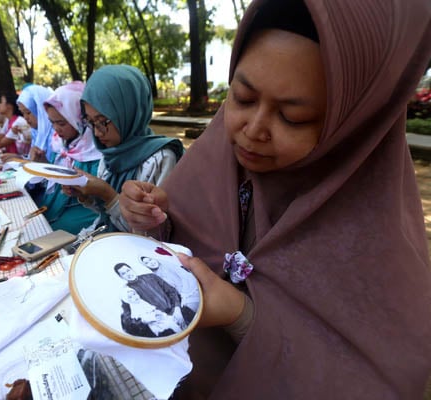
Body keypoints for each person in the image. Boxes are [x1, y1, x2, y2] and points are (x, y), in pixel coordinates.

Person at [119, 0, 431, 398]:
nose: (253, 130)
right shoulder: (217, 159)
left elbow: (374, 383)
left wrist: (241, 315)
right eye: (243, 98)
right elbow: (174, 238)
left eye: (293, 118)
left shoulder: (377, 243)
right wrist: (151, 217)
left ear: (352, 123)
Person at [63, 65, 184, 232]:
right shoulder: (111, 151)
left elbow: (149, 234)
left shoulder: (160, 158)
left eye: (103, 121)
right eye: (90, 122)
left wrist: (108, 194)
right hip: (104, 237)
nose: (97, 133)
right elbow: (106, 216)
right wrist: (88, 195)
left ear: (129, 110)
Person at [31, 81, 103, 235]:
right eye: (52, 123)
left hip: (84, 211)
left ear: (81, 118)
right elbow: (55, 180)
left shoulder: (96, 150)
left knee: (47, 233)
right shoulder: (61, 144)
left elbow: (100, 196)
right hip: (57, 206)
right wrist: (43, 164)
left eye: (62, 123)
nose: (56, 129)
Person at [113, 263, 194, 329]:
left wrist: (177, 309)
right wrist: (151, 319)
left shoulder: (151, 276)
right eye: (124, 273)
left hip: (180, 310)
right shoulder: (127, 292)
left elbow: (171, 291)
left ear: (131, 269)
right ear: (121, 277)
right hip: (163, 323)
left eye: (128, 270)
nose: (128, 274)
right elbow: (127, 319)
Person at [15, 84, 54, 160]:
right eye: (23, 113)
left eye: (28, 112)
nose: (25, 117)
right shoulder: (36, 132)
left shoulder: (57, 134)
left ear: (41, 110)